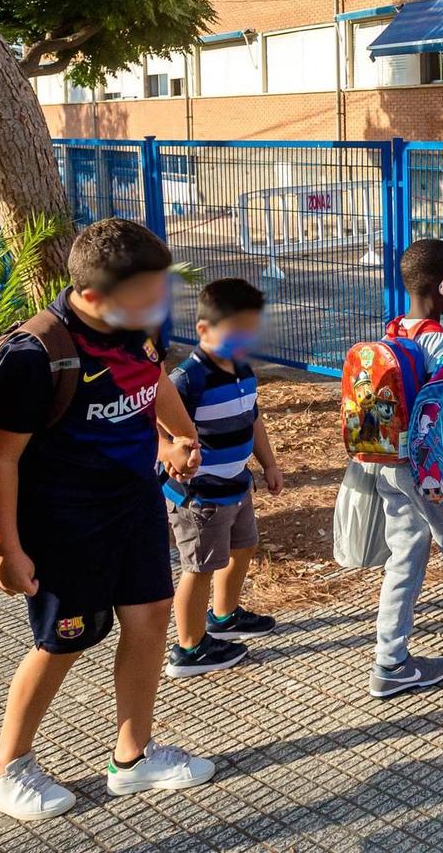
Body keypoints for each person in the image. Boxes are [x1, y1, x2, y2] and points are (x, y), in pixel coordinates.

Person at [0, 219, 214, 820]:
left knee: (151, 617)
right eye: (144, 298)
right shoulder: (35, 356)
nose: (157, 308)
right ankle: (6, 767)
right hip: (63, 524)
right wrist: (4, 546)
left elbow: (151, 377)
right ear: (90, 297)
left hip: (133, 506)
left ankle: (133, 759)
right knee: (64, 640)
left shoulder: (140, 326)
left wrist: (176, 436)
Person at [358, 238, 443, 699]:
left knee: (405, 556)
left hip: (389, 465)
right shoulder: (439, 342)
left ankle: (389, 660)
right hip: (433, 470)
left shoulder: (392, 332)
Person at [163, 278, 283, 678]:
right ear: (204, 330)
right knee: (198, 568)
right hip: (200, 495)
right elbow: (161, 430)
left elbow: (254, 418)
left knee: (244, 547)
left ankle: (224, 615)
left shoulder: (243, 368)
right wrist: (172, 456)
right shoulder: (187, 379)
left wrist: (268, 463)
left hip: (236, 484)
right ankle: (188, 647)